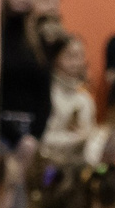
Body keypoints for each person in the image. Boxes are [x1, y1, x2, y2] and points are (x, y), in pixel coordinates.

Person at [0, 0, 48, 151]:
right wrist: (16, 137)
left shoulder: (37, 37)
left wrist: (33, 137)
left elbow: (44, 96)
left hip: (30, 135)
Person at [38, 31, 96, 171]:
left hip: (77, 168)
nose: (76, 62)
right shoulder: (47, 93)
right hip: (47, 166)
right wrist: (77, 139)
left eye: (80, 56)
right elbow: (42, 138)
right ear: (55, 58)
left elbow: (89, 138)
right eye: (70, 56)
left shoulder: (85, 98)